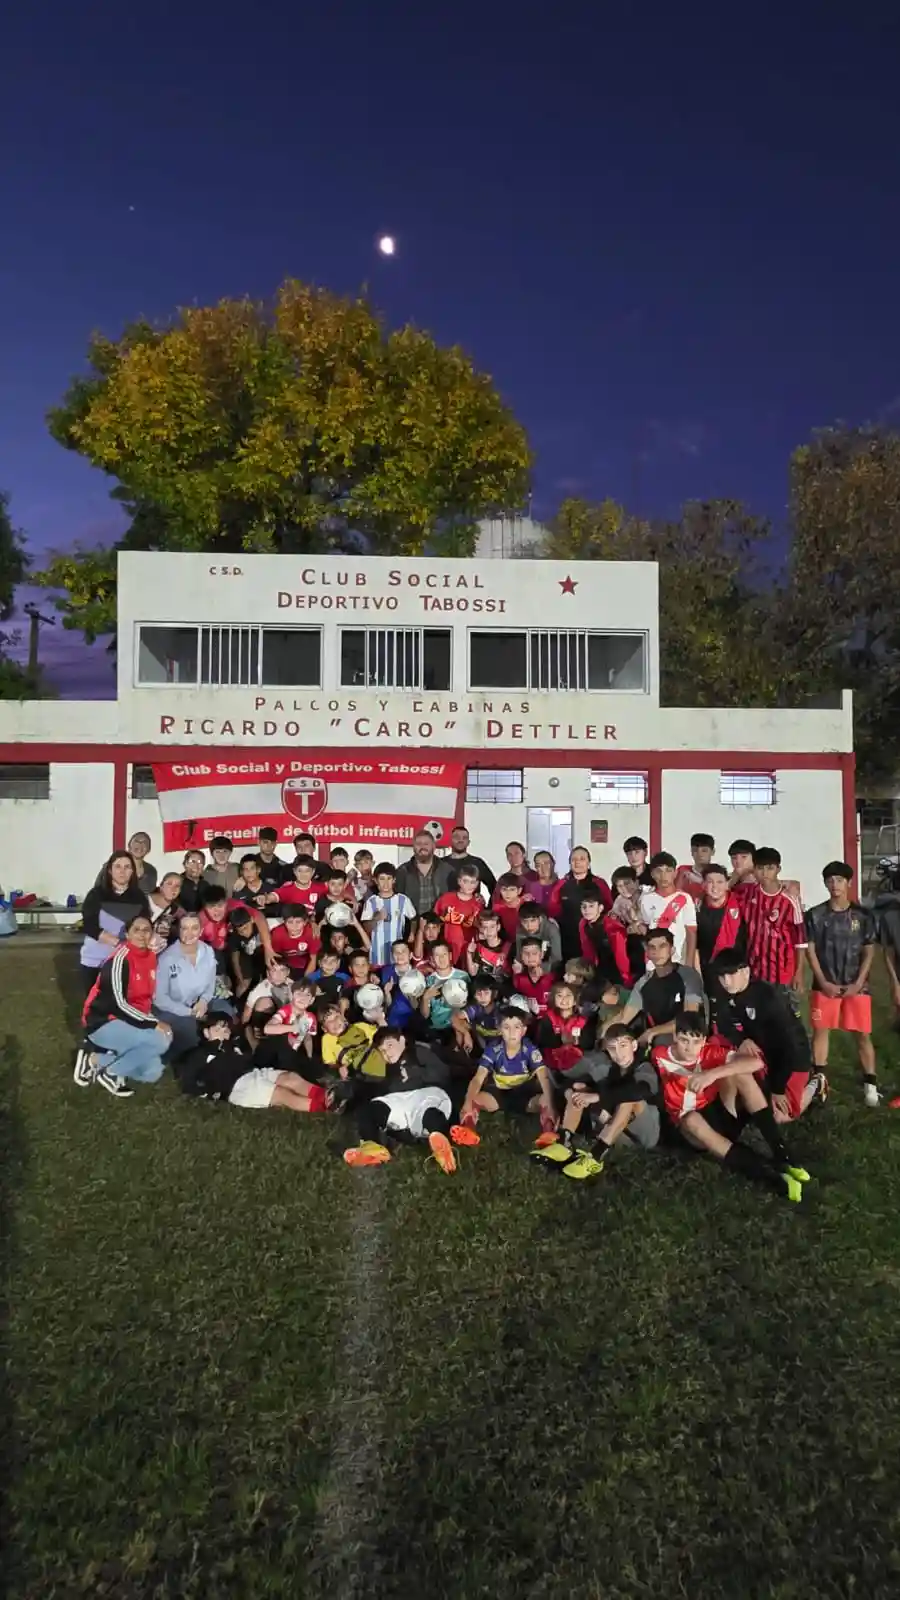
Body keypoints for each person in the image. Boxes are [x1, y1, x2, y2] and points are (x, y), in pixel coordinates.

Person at [652, 1012, 811, 1202]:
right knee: (691, 1119)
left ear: (703, 1041)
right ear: (675, 1037)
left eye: (696, 1042)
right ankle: (773, 1179)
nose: (689, 1048)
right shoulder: (659, 1055)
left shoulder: (709, 1052)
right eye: (684, 1040)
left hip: (717, 1113)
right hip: (692, 1131)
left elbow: (756, 1062)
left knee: (740, 1074)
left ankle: (782, 1152)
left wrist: (712, 1074)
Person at [531, 1023, 660, 1178]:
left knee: (628, 1098)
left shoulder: (644, 1067)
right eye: (612, 1048)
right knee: (579, 1088)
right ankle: (564, 1142)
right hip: (618, 1133)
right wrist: (572, 1094)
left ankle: (596, 1156)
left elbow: (639, 1091)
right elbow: (565, 1082)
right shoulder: (604, 1065)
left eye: (623, 1046)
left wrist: (597, 1097)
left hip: (644, 1135)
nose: (618, 1053)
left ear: (633, 1045)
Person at [710, 952, 824, 1122]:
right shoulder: (724, 991)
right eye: (722, 976)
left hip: (792, 1058)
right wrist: (741, 1040)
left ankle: (816, 1084)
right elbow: (722, 1022)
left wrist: (778, 1089)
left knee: (781, 1116)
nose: (726, 981)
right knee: (715, 1042)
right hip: (759, 1049)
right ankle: (729, 1110)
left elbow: (786, 1046)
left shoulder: (768, 998)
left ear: (745, 972)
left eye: (731, 975)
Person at [342, 1028, 474, 1172]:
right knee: (369, 1109)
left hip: (427, 1095)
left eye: (389, 1045)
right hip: (402, 1103)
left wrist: (416, 1073)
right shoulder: (385, 1067)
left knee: (428, 1112)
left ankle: (442, 1142)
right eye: (383, 1051)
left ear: (402, 1040)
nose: (387, 1053)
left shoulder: (418, 1052)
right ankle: (372, 1146)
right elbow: (372, 1085)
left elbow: (442, 1072)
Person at [806, 861, 879, 1106]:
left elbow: (869, 950)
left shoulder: (863, 915)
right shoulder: (815, 915)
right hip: (825, 985)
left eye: (839, 880)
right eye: (829, 880)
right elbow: (810, 950)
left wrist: (859, 982)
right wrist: (823, 981)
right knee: (821, 1031)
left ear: (849, 883)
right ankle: (820, 1081)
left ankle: (870, 1084)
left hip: (856, 986)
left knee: (862, 1034)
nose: (834, 885)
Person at [75, 914, 171, 1097]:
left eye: (146, 930)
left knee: (153, 1072)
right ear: (127, 934)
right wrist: (152, 1023)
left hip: (130, 1020)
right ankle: (110, 1071)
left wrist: (148, 1021)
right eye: (136, 930)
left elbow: (144, 999)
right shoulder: (119, 960)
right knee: (160, 1040)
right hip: (103, 1020)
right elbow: (118, 1004)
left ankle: (96, 1059)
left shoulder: (151, 957)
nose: (142, 934)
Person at [183, 1013, 326, 1113]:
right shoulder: (201, 1053)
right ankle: (326, 1107)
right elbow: (188, 1080)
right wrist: (207, 1093)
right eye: (218, 1028)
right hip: (236, 1086)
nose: (223, 1031)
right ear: (206, 1033)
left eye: (226, 1028)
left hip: (254, 1072)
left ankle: (328, 1097)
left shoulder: (235, 1045)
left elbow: (250, 1058)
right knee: (281, 1094)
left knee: (290, 1077)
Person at [603, 928, 704, 1046]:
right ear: (647, 953)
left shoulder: (688, 976)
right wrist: (603, 1035)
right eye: (652, 947)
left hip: (687, 1038)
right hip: (655, 1037)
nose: (657, 952)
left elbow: (689, 1018)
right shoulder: (643, 983)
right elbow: (624, 1018)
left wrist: (653, 1032)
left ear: (672, 950)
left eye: (662, 946)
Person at [460, 1008, 555, 1132]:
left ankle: (548, 1134)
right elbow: (478, 1078)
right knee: (473, 1099)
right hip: (499, 1094)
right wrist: (468, 1102)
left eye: (517, 1027)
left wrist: (550, 1105)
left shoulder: (530, 1049)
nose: (512, 1032)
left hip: (526, 1095)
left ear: (523, 1031)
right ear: (500, 1030)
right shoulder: (493, 1049)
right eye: (506, 1027)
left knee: (546, 1101)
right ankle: (467, 1131)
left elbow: (544, 1077)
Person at [79, 851, 150, 995]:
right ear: (110, 870)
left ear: (132, 871)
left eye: (127, 867)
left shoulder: (139, 897)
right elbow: (89, 925)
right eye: (118, 867)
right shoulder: (96, 894)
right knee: (95, 1002)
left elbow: (144, 924)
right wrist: (118, 943)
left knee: (122, 1001)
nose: (122, 871)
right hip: (95, 960)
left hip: (125, 961)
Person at [741, 847, 807, 1001]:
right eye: (760, 868)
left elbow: (801, 941)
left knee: (783, 1013)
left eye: (770, 868)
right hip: (754, 970)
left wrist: (799, 973)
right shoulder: (747, 894)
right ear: (754, 870)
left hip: (782, 972)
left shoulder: (790, 899)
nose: (765, 873)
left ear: (778, 869)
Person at [152, 911, 218, 1060]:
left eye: (194, 928)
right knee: (192, 1034)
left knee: (225, 1015)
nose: (189, 933)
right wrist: (188, 1012)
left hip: (199, 1005)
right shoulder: (167, 958)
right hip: (172, 1010)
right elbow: (160, 999)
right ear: (179, 931)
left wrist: (204, 1001)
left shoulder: (208, 952)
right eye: (185, 928)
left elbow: (211, 983)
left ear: (201, 931)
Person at [550, 847, 613, 961]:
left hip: (594, 937)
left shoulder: (599, 883)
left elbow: (609, 908)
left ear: (588, 863)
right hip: (567, 939)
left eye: (582, 859)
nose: (577, 862)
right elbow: (553, 910)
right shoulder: (561, 884)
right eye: (574, 859)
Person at [639, 852, 697, 967]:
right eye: (659, 871)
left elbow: (691, 932)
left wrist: (690, 962)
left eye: (668, 871)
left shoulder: (684, 898)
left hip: (677, 959)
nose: (663, 876)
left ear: (675, 873)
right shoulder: (646, 899)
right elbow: (646, 929)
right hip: (653, 961)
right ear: (652, 874)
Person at [695, 863, 747, 990]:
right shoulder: (696, 907)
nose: (715, 887)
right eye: (710, 882)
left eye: (719, 882)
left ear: (727, 884)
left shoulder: (741, 903)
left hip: (735, 971)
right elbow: (695, 945)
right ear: (703, 884)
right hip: (707, 971)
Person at [362, 862, 417, 968]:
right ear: (375, 880)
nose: (386, 883)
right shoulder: (371, 901)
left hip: (398, 955)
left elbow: (413, 918)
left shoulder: (403, 899)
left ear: (394, 880)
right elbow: (366, 928)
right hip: (377, 955)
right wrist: (376, 918)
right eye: (382, 879)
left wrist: (412, 932)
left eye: (389, 878)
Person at [535, 981, 596, 1072]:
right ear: (554, 999)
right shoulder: (548, 1018)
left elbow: (589, 1044)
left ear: (575, 1000)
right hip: (552, 1063)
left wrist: (576, 1040)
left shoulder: (583, 1020)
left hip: (578, 1062)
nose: (564, 999)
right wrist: (561, 1039)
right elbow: (542, 1041)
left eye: (568, 995)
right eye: (559, 995)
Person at [393, 830, 454, 916]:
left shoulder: (447, 870)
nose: (422, 847)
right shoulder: (402, 871)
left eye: (426, 844)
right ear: (413, 847)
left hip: (439, 921)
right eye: (419, 844)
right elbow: (397, 901)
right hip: (411, 922)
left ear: (434, 846)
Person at [578, 889, 631, 986]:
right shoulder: (583, 924)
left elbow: (621, 955)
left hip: (617, 969)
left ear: (600, 908)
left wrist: (625, 978)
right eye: (583, 906)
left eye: (591, 906)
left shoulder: (612, 927)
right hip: (599, 967)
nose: (587, 910)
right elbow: (587, 949)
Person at [434, 865, 486, 964]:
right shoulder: (446, 898)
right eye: (465, 881)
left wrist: (475, 924)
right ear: (459, 881)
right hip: (448, 949)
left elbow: (481, 926)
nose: (469, 885)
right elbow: (435, 919)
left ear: (477, 883)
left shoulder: (478, 903)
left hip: (468, 950)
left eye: (473, 882)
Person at [420, 941, 469, 1039]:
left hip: (458, 1027)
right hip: (437, 1029)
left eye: (444, 954)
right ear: (432, 959)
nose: (441, 958)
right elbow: (425, 1015)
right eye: (437, 955)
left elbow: (470, 1006)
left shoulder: (463, 976)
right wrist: (425, 999)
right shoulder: (429, 981)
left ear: (450, 956)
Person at [609, 865, 649, 979]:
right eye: (619, 886)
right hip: (634, 944)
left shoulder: (649, 895)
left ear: (636, 882)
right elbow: (613, 918)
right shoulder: (620, 900)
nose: (624, 889)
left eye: (627, 883)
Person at [445, 825, 497, 896]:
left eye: (464, 838)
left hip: (472, 903)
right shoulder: (440, 863)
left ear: (468, 842)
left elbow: (494, 887)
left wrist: (489, 903)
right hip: (444, 903)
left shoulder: (478, 862)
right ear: (450, 840)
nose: (460, 840)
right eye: (457, 837)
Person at [512, 937, 556, 1017]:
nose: (530, 956)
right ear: (521, 956)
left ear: (541, 954)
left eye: (534, 953)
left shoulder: (553, 977)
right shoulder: (518, 979)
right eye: (526, 953)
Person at [270, 905, 319, 974]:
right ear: (284, 922)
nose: (294, 926)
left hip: (305, 966)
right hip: (285, 965)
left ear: (305, 922)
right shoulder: (277, 934)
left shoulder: (312, 933)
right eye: (290, 922)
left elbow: (313, 961)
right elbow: (274, 957)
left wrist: (305, 979)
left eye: (298, 922)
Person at [466, 909, 511, 983]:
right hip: (483, 985)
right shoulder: (479, 946)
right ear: (481, 929)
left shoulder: (508, 947)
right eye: (485, 927)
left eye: (492, 927)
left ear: (498, 927)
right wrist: (469, 954)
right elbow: (473, 972)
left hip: (502, 986)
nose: (489, 931)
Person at [513, 902, 562, 971]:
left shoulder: (551, 929)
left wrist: (542, 969)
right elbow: (519, 955)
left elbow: (557, 958)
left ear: (540, 919)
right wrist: (519, 965)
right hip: (529, 963)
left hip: (548, 964)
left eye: (533, 921)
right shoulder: (520, 930)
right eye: (525, 922)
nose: (529, 926)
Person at [232, 854, 281, 919]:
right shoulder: (238, 891)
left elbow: (279, 911)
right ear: (242, 872)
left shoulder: (271, 888)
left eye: (252, 868)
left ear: (258, 870)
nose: (249, 872)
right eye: (245, 869)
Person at [492, 873, 534, 941]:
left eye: (512, 889)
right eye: (504, 889)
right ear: (500, 890)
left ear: (519, 890)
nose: (508, 893)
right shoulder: (497, 907)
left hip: (529, 941)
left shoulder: (527, 902)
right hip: (509, 942)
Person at [147, 872, 183, 951]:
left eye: (177, 886)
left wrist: (171, 931)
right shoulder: (143, 900)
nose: (173, 889)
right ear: (161, 886)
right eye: (169, 884)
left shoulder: (178, 912)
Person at [675, 833, 715, 902]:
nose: (700, 854)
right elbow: (674, 895)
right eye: (695, 850)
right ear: (691, 852)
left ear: (713, 852)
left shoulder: (718, 873)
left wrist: (699, 881)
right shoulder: (682, 870)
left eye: (704, 850)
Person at [256, 826, 290, 892]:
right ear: (259, 842)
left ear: (276, 844)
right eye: (265, 842)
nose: (269, 846)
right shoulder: (250, 864)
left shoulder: (284, 867)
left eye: (272, 843)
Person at [177, 850, 208, 914]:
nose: (196, 866)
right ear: (185, 864)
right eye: (192, 862)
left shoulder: (206, 885)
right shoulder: (176, 883)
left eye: (200, 863)